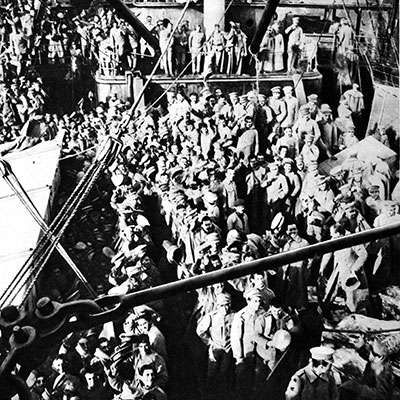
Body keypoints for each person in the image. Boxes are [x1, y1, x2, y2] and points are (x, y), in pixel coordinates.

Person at [196, 292, 235, 400]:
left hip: (227, 348)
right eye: (222, 305)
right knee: (211, 373)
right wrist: (210, 342)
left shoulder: (234, 315)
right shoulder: (211, 317)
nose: (225, 308)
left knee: (224, 372)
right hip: (215, 348)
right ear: (217, 306)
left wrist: (232, 343)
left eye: (227, 304)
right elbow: (200, 331)